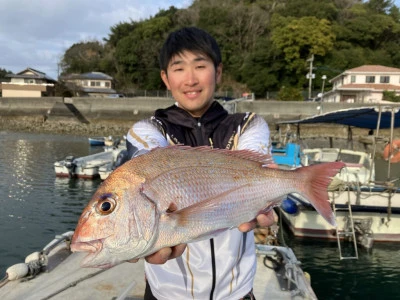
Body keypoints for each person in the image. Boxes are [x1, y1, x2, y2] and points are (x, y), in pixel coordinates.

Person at [126, 26, 277, 300]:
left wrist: (270, 193)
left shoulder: (249, 125)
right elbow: (144, 162)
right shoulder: (148, 129)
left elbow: (256, 160)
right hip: (166, 294)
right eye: (179, 68)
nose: (190, 79)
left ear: (218, 72)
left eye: (200, 65)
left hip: (236, 293)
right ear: (165, 78)